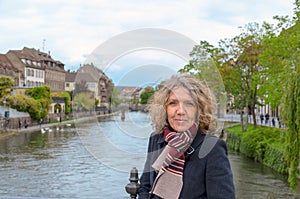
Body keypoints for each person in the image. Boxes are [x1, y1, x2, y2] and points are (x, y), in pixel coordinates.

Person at [139, 74, 235, 199]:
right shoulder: (157, 139)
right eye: (173, 103)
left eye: (189, 104)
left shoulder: (212, 148)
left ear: (199, 110)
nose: (180, 111)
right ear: (164, 108)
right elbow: (145, 187)